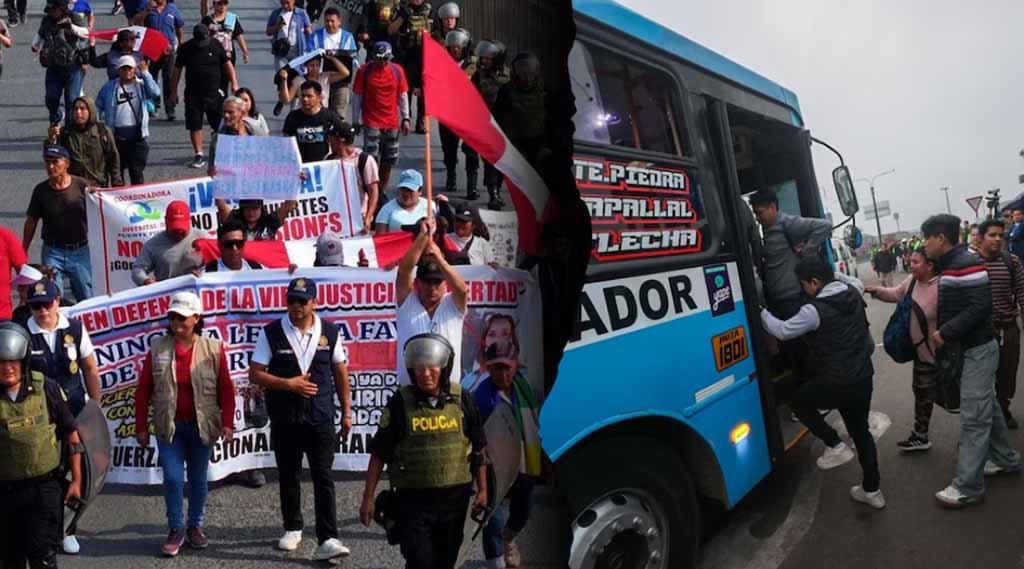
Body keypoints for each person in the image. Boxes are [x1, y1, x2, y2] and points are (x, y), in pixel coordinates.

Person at [761, 257, 884, 509]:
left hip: (835, 383)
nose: (804, 289)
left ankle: (834, 444)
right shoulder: (855, 289)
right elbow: (847, 279)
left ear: (815, 282)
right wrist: (834, 275)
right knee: (861, 432)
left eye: (804, 284)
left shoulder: (813, 310)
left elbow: (782, 330)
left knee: (797, 401)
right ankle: (872, 490)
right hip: (863, 378)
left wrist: (759, 311)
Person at [360, 333, 488, 569]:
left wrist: (483, 490)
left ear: (444, 367)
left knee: (445, 562)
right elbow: (379, 453)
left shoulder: (463, 400)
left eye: (432, 368)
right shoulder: (400, 403)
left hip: (454, 501)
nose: (425, 374)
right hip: (413, 502)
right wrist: (368, 498)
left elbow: (479, 448)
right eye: (419, 368)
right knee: (420, 561)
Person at [920, 214, 1021, 508]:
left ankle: (968, 486)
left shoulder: (965, 263)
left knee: (974, 418)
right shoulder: (953, 263)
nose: (924, 245)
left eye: (927, 238)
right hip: (971, 348)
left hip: (977, 348)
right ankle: (1006, 459)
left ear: (941, 238)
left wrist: (944, 332)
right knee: (985, 405)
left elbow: (981, 306)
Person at [249, 277, 353, 561]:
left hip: (320, 417)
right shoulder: (271, 332)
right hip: (285, 417)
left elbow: (340, 372)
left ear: (314, 303)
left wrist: (346, 411)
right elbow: (255, 373)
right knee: (288, 475)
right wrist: (288, 384)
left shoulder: (330, 332)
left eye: (302, 301)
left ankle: (329, 536)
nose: (295, 307)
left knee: (323, 476)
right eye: (291, 301)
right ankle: (292, 527)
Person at [134, 291, 235, 556]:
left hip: (203, 426)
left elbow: (226, 388)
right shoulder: (158, 348)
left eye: (183, 317)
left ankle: (195, 526)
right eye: (173, 316)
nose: (177, 321)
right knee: (172, 477)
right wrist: (141, 426)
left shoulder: (213, 348)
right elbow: (144, 389)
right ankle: (176, 527)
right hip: (170, 426)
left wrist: (228, 423)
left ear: (196, 318)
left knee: (199, 479)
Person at [23, 278, 101, 554]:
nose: (42, 311)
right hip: (41, 418)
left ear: (57, 302)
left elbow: (90, 369)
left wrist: (96, 408)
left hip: (76, 413)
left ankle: (68, 529)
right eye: (36, 306)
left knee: (76, 474)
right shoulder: (23, 333)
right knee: (47, 475)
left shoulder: (76, 329)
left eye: (47, 304)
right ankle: (43, 530)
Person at [0, 322, 84, 569]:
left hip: (44, 489)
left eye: (13, 361)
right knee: (9, 560)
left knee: (43, 558)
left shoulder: (46, 387)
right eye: (2, 362)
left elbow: (72, 435)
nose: (7, 368)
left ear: (24, 360)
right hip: (5, 493)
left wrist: (77, 481)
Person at [463, 332, 540, 569]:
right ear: (488, 367)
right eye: (496, 368)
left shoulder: (526, 389)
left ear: (515, 365)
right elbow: (472, 439)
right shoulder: (480, 399)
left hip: (524, 464)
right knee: (492, 520)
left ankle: (510, 537)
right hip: (492, 468)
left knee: (522, 513)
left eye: (507, 368)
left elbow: (536, 425)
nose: (503, 374)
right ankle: (495, 563)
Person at [866, 248, 940, 451]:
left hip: (943, 356)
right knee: (922, 393)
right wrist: (878, 292)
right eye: (910, 261)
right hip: (921, 354)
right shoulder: (912, 281)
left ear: (930, 265)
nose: (910, 264)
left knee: (957, 397)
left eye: (916, 262)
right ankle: (921, 435)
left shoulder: (943, 286)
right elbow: (897, 294)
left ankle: (986, 433)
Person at [395, 218, 468, 385]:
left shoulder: (453, 305)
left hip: (447, 393)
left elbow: (462, 290)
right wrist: (423, 236)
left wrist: (439, 258)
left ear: (445, 283)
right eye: (427, 282)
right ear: (418, 282)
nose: (432, 288)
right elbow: (403, 272)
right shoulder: (407, 302)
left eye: (437, 282)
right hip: (411, 392)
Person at [747, 190, 833, 320]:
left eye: (759, 213)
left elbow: (825, 226)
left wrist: (807, 251)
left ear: (772, 208)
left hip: (792, 299)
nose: (757, 219)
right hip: (777, 300)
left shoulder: (787, 223)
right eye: (755, 214)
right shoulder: (767, 228)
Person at [24, 145, 94, 302]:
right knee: (52, 296)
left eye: (55, 162)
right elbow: (32, 220)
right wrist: (24, 249)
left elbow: (102, 209)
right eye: (47, 162)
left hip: (80, 252)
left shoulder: (82, 186)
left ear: (67, 164)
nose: (51, 167)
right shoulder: (40, 191)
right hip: (52, 252)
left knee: (87, 295)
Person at [974, 220, 1024, 429]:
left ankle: (1003, 408)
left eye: (1000, 235)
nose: (997, 239)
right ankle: (984, 417)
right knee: (981, 378)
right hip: (981, 332)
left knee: (1008, 373)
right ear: (981, 237)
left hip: (1009, 328)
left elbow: (1022, 293)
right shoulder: (971, 263)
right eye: (992, 235)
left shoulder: (1011, 261)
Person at [171, 25, 239, 169]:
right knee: (195, 124)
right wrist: (173, 91)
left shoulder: (215, 45)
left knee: (220, 123)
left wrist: (234, 83)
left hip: (214, 92)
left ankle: (223, 151)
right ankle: (199, 154)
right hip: (193, 93)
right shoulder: (186, 48)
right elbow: (177, 71)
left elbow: (228, 65)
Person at [352, 40, 409, 192]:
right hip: (371, 121)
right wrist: (355, 120)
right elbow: (357, 96)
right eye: (379, 59)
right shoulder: (364, 71)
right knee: (371, 160)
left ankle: (381, 191)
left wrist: (406, 118)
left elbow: (403, 95)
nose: (382, 62)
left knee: (388, 161)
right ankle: (372, 190)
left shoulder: (397, 71)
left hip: (391, 122)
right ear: (373, 57)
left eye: (386, 59)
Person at [96, 55, 161, 185]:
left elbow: (155, 93)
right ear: (118, 70)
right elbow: (98, 106)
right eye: (123, 69)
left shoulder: (141, 85)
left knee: (137, 174)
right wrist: (99, 128)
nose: (127, 72)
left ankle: (137, 203)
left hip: (137, 137)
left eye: (130, 69)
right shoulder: (109, 87)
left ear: (134, 69)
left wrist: (146, 74)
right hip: (116, 138)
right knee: (116, 175)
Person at [32, 0, 90, 125]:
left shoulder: (74, 17)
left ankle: (70, 131)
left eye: (54, 9)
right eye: (50, 10)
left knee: (71, 101)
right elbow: (40, 33)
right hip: (53, 67)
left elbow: (86, 34)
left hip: (73, 67)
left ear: (62, 8)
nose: (52, 12)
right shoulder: (47, 20)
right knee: (51, 98)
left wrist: (71, 27)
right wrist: (35, 44)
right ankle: (56, 116)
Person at [439, 28, 479, 200]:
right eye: (452, 45)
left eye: (459, 46)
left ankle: (472, 186)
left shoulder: (475, 65)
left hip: (469, 114)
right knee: (449, 150)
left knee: (471, 151)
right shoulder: (441, 61)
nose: (455, 49)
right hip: (448, 112)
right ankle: (451, 176)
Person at [49, 96, 124, 188]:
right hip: (73, 188)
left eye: (82, 109)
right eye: (76, 109)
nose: (78, 112)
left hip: (97, 187)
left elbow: (113, 160)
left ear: (90, 111)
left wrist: (117, 185)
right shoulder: (66, 133)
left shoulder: (102, 131)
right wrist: (51, 138)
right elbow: (51, 157)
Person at [471, 39, 510, 210]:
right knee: (489, 161)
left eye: (488, 58)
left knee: (502, 162)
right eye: (483, 58)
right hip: (485, 124)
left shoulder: (509, 76)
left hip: (505, 125)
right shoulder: (478, 75)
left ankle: (497, 189)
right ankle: (493, 192)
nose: (484, 61)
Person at [493, 52, 548, 168]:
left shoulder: (545, 92)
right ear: (515, 72)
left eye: (530, 69)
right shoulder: (507, 90)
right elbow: (497, 116)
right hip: (514, 143)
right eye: (521, 70)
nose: (526, 75)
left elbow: (555, 120)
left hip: (538, 143)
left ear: (536, 71)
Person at [131, 200, 205, 285]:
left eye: (182, 229)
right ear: (166, 221)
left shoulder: (203, 238)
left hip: (197, 292)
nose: (178, 233)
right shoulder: (153, 244)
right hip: (167, 294)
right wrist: (145, 280)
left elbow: (219, 263)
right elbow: (137, 269)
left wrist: (202, 273)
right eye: (175, 228)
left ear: (190, 221)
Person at [133, 0, 185, 121]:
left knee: (169, 78)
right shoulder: (147, 6)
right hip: (151, 50)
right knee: (151, 78)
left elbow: (178, 27)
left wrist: (180, 44)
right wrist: (146, 11)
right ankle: (153, 106)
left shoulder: (172, 9)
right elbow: (136, 22)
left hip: (168, 51)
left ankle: (170, 108)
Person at [325, 118, 379, 232]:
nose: (329, 141)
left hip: (358, 218)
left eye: (332, 138)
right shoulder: (329, 159)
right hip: (335, 218)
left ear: (340, 140)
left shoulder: (364, 160)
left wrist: (368, 218)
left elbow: (373, 191)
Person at [387, 0, 431, 133]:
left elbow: (437, 33)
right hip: (406, 55)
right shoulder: (402, 10)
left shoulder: (430, 11)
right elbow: (390, 30)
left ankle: (421, 121)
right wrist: (402, 18)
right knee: (406, 89)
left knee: (424, 90)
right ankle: (407, 118)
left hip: (424, 56)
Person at [306, 7, 357, 119]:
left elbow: (352, 59)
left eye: (332, 21)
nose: (329, 24)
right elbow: (308, 55)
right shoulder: (315, 36)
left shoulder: (348, 37)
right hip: (321, 81)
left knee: (338, 116)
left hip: (341, 82)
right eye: (327, 21)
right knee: (320, 114)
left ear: (339, 21)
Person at [266, 0, 313, 116]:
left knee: (296, 80)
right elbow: (268, 32)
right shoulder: (276, 13)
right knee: (282, 76)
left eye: (287, 3)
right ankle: (282, 99)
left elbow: (309, 31)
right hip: (281, 50)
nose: (285, 6)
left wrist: (309, 45)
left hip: (297, 51)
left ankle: (293, 111)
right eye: (282, 3)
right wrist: (277, 26)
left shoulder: (301, 13)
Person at [283, 80, 341, 162]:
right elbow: (286, 142)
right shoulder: (293, 117)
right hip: (300, 165)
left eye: (309, 96)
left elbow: (339, 141)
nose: (305, 99)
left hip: (322, 165)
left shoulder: (329, 116)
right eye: (303, 96)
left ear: (319, 97)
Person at [208, 95, 265, 174]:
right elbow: (211, 169)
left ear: (241, 113)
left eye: (231, 112)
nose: (226, 115)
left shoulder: (256, 132)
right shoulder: (217, 139)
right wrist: (213, 170)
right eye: (224, 112)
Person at [276, 51, 348, 113]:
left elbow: (345, 73)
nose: (315, 68)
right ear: (306, 66)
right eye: (312, 66)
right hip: (304, 116)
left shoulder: (325, 77)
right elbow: (286, 100)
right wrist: (284, 80)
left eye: (317, 65)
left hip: (322, 116)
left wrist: (332, 58)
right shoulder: (298, 80)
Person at [202, 0, 249, 85]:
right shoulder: (207, 20)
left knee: (225, 81)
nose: (222, 6)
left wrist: (245, 52)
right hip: (212, 56)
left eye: (225, 3)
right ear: (214, 5)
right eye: (220, 3)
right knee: (212, 80)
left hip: (228, 56)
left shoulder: (232, 18)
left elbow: (239, 35)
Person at [215, 198, 298, 241]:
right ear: (242, 210)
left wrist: (296, 181)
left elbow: (289, 205)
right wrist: (216, 178)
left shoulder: (270, 222)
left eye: (255, 209)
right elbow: (221, 205)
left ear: (261, 209)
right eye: (247, 209)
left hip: (265, 269)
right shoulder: (233, 223)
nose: (251, 213)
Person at [375, 169, 428, 234]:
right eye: (403, 189)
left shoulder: (430, 206)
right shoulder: (386, 210)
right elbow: (380, 239)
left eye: (410, 190)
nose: (406, 194)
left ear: (420, 191)